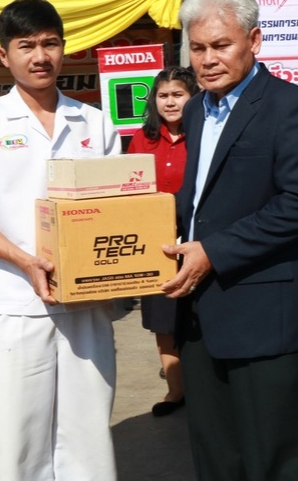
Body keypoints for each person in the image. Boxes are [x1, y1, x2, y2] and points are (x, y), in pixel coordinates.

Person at [0, 0, 121, 480]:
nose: (40, 56)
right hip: (16, 304)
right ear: (4, 55)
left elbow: (117, 208)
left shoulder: (95, 122)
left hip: (86, 303)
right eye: (26, 46)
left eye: (50, 43)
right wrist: (25, 261)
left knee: (88, 433)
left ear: (63, 48)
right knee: (19, 438)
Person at [161, 0, 298, 480]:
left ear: (254, 40)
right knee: (216, 455)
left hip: (265, 313)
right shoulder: (195, 110)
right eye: (198, 48)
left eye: (221, 45)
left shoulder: (292, 105)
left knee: (275, 458)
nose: (208, 60)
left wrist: (213, 251)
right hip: (199, 311)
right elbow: (200, 201)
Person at [127, 65, 199, 417]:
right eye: (163, 95)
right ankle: (176, 390)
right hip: (156, 244)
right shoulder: (142, 139)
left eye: (178, 95)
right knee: (164, 320)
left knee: (199, 318)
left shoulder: (205, 133)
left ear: (193, 97)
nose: (170, 102)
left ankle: (204, 390)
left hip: (198, 242)